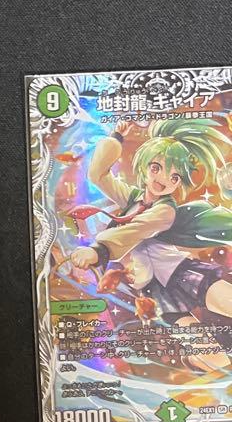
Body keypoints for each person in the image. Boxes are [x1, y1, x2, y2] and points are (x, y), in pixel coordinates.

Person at [70, 119, 232, 369]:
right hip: (154, 291)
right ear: (144, 166)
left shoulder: (165, 210)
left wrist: (98, 251)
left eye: (174, 176)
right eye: (156, 168)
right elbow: (98, 176)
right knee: (214, 359)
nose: (163, 179)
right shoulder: (133, 198)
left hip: (181, 274)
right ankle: (197, 362)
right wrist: (115, 138)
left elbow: (136, 229)